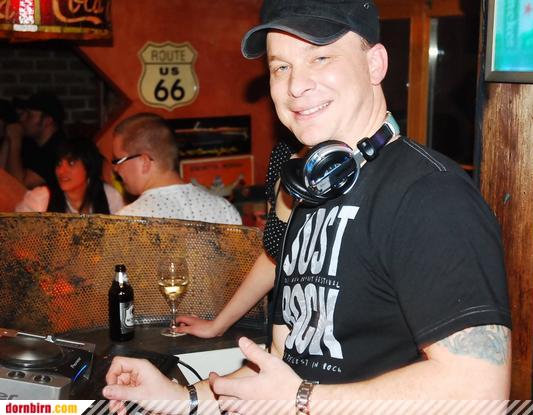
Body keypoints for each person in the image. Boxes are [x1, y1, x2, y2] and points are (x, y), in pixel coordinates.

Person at [103, 0, 512, 412]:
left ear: (375, 64)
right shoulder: (309, 192)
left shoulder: (429, 194)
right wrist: (180, 398)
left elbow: (480, 391)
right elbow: (286, 363)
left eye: (320, 57)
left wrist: (301, 399)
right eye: (281, 67)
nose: (296, 85)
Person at [175, 139, 297, 337]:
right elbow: (275, 256)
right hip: (288, 331)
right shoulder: (284, 154)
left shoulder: (350, 163)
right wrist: (217, 326)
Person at [112, 113, 241, 224]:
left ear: (144, 162)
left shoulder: (127, 220)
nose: (116, 169)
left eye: (118, 161)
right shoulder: (224, 209)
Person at [15, 137, 124, 214]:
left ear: (88, 167)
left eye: (71, 163)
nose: (61, 171)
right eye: (59, 164)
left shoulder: (110, 196)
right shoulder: (41, 198)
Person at [4, 92, 67, 189]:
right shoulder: (31, 144)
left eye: (29, 115)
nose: (22, 119)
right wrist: (9, 139)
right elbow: (3, 175)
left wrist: (15, 140)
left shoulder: (58, 149)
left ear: (47, 121)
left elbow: (20, 184)